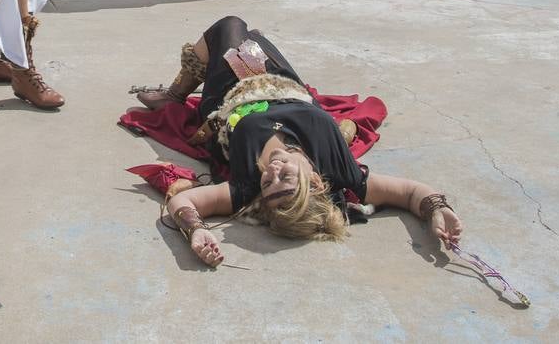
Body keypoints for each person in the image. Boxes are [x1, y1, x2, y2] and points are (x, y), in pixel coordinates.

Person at [130, 16, 459, 266]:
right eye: (285, 177)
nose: (273, 171)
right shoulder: (342, 171)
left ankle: (176, 94)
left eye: (268, 182)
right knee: (253, 37)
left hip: (227, 96)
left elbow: (182, 203)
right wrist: (437, 211)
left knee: (230, 26)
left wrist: (196, 230)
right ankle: (197, 77)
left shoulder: (247, 187)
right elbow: (411, 192)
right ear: (316, 182)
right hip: (286, 85)